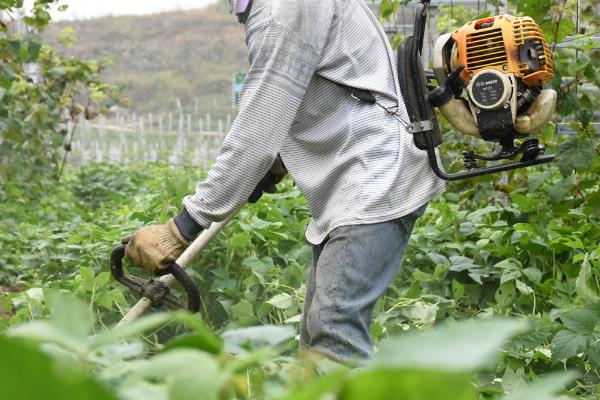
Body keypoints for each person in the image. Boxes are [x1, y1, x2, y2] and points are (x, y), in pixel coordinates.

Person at [123, 0, 445, 364]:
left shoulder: (282, 9)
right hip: (358, 175)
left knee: (334, 333)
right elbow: (324, 89)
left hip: (375, 174)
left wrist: (180, 229)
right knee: (317, 341)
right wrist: (274, 163)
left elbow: (255, 135)